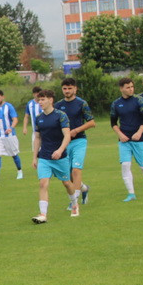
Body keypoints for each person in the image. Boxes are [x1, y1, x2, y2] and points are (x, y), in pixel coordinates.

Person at [30, 89, 75, 223]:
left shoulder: (61, 116)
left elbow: (67, 135)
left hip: (60, 157)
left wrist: (60, 150)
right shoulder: (39, 118)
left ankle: (74, 204)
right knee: (43, 184)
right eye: (39, 100)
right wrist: (34, 157)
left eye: (43, 99)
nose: (40, 102)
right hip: (44, 157)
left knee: (67, 183)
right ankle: (43, 214)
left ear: (50, 100)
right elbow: (37, 138)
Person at [109, 78, 143, 202]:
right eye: (128, 87)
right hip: (124, 141)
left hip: (139, 139)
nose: (131, 89)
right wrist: (120, 134)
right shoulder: (116, 103)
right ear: (121, 89)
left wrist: (139, 133)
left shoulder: (139, 100)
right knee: (125, 165)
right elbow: (113, 122)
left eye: (132, 87)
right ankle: (131, 194)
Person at [54, 77, 95, 209]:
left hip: (79, 141)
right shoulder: (58, 106)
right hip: (64, 143)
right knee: (69, 175)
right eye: (65, 88)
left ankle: (74, 202)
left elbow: (91, 122)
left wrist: (76, 130)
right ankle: (84, 188)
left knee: (76, 170)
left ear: (75, 89)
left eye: (70, 88)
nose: (67, 91)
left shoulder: (81, 103)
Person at [0, 89, 24, 179]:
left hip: (9, 136)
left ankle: (20, 171)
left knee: (14, 154)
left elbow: (15, 119)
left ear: (3, 97)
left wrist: (11, 128)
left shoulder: (8, 106)